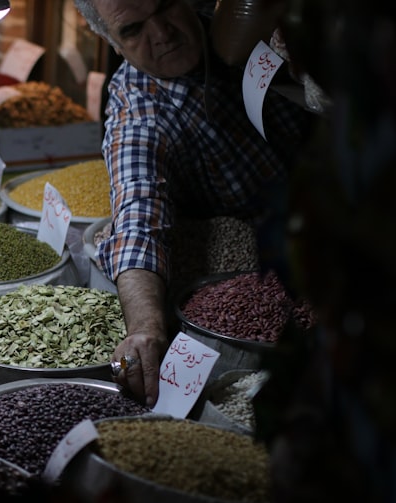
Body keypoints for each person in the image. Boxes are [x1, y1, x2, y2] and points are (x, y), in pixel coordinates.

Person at [72, 0, 313, 406]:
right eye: (133, 30)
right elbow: (137, 218)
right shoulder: (138, 106)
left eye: (165, 6)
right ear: (112, 43)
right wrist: (146, 328)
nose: (162, 33)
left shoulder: (240, 22)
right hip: (265, 263)